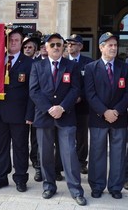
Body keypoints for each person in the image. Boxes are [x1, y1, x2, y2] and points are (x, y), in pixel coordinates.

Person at [29, 32, 86, 206]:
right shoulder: (37, 66)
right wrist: (49, 109)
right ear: (46, 47)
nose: (55, 47)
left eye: (58, 45)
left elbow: (75, 89)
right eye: (52, 44)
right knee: (45, 154)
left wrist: (61, 107)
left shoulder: (71, 66)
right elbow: (34, 91)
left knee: (69, 155)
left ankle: (76, 190)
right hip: (44, 117)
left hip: (66, 116)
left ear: (63, 47)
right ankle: (49, 186)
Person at [0, 27, 33, 192]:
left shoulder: (30, 63)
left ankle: (20, 178)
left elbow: (32, 92)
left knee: (20, 147)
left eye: (16, 40)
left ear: (21, 42)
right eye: (10, 40)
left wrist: (30, 114)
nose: (13, 43)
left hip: (19, 114)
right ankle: (1, 177)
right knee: (1, 147)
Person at [84, 32, 128, 199]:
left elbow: (127, 94)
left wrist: (116, 111)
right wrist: (104, 112)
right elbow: (90, 93)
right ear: (101, 47)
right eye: (110, 45)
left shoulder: (124, 67)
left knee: (118, 154)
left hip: (119, 118)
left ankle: (116, 187)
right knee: (97, 153)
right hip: (98, 118)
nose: (114, 48)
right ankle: (97, 185)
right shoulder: (91, 68)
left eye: (115, 45)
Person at [66, 34, 93, 174]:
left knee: (81, 136)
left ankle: (82, 162)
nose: (70, 46)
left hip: (82, 106)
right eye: (69, 43)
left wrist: (80, 96)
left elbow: (90, 85)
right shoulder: (62, 61)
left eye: (74, 44)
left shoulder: (89, 63)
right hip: (66, 106)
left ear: (81, 46)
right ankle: (65, 161)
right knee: (65, 135)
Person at [22, 36, 42, 182]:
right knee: (22, 137)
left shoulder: (39, 64)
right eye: (25, 47)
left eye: (30, 47)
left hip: (35, 107)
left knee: (35, 138)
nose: (28, 49)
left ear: (35, 49)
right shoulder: (18, 63)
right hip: (21, 107)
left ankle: (36, 161)